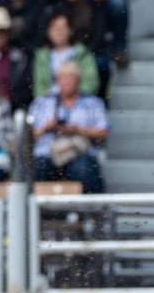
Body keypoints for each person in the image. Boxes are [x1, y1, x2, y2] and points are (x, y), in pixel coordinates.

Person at [27, 61, 107, 194]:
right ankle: (36, 213)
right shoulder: (42, 102)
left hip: (78, 153)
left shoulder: (93, 103)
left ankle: (94, 211)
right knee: (37, 168)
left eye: (71, 77)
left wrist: (77, 130)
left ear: (79, 80)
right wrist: (46, 128)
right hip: (47, 154)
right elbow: (27, 136)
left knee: (84, 168)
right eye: (63, 77)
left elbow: (103, 132)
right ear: (57, 80)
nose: (67, 81)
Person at [32, 11, 98, 99]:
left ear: (71, 30)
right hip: (48, 103)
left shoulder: (82, 53)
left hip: (78, 101)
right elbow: (38, 89)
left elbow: (91, 84)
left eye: (63, 27)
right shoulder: (41, 56)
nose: (58, 32)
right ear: (48, 31)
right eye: (54, 27)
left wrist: (70, 95)